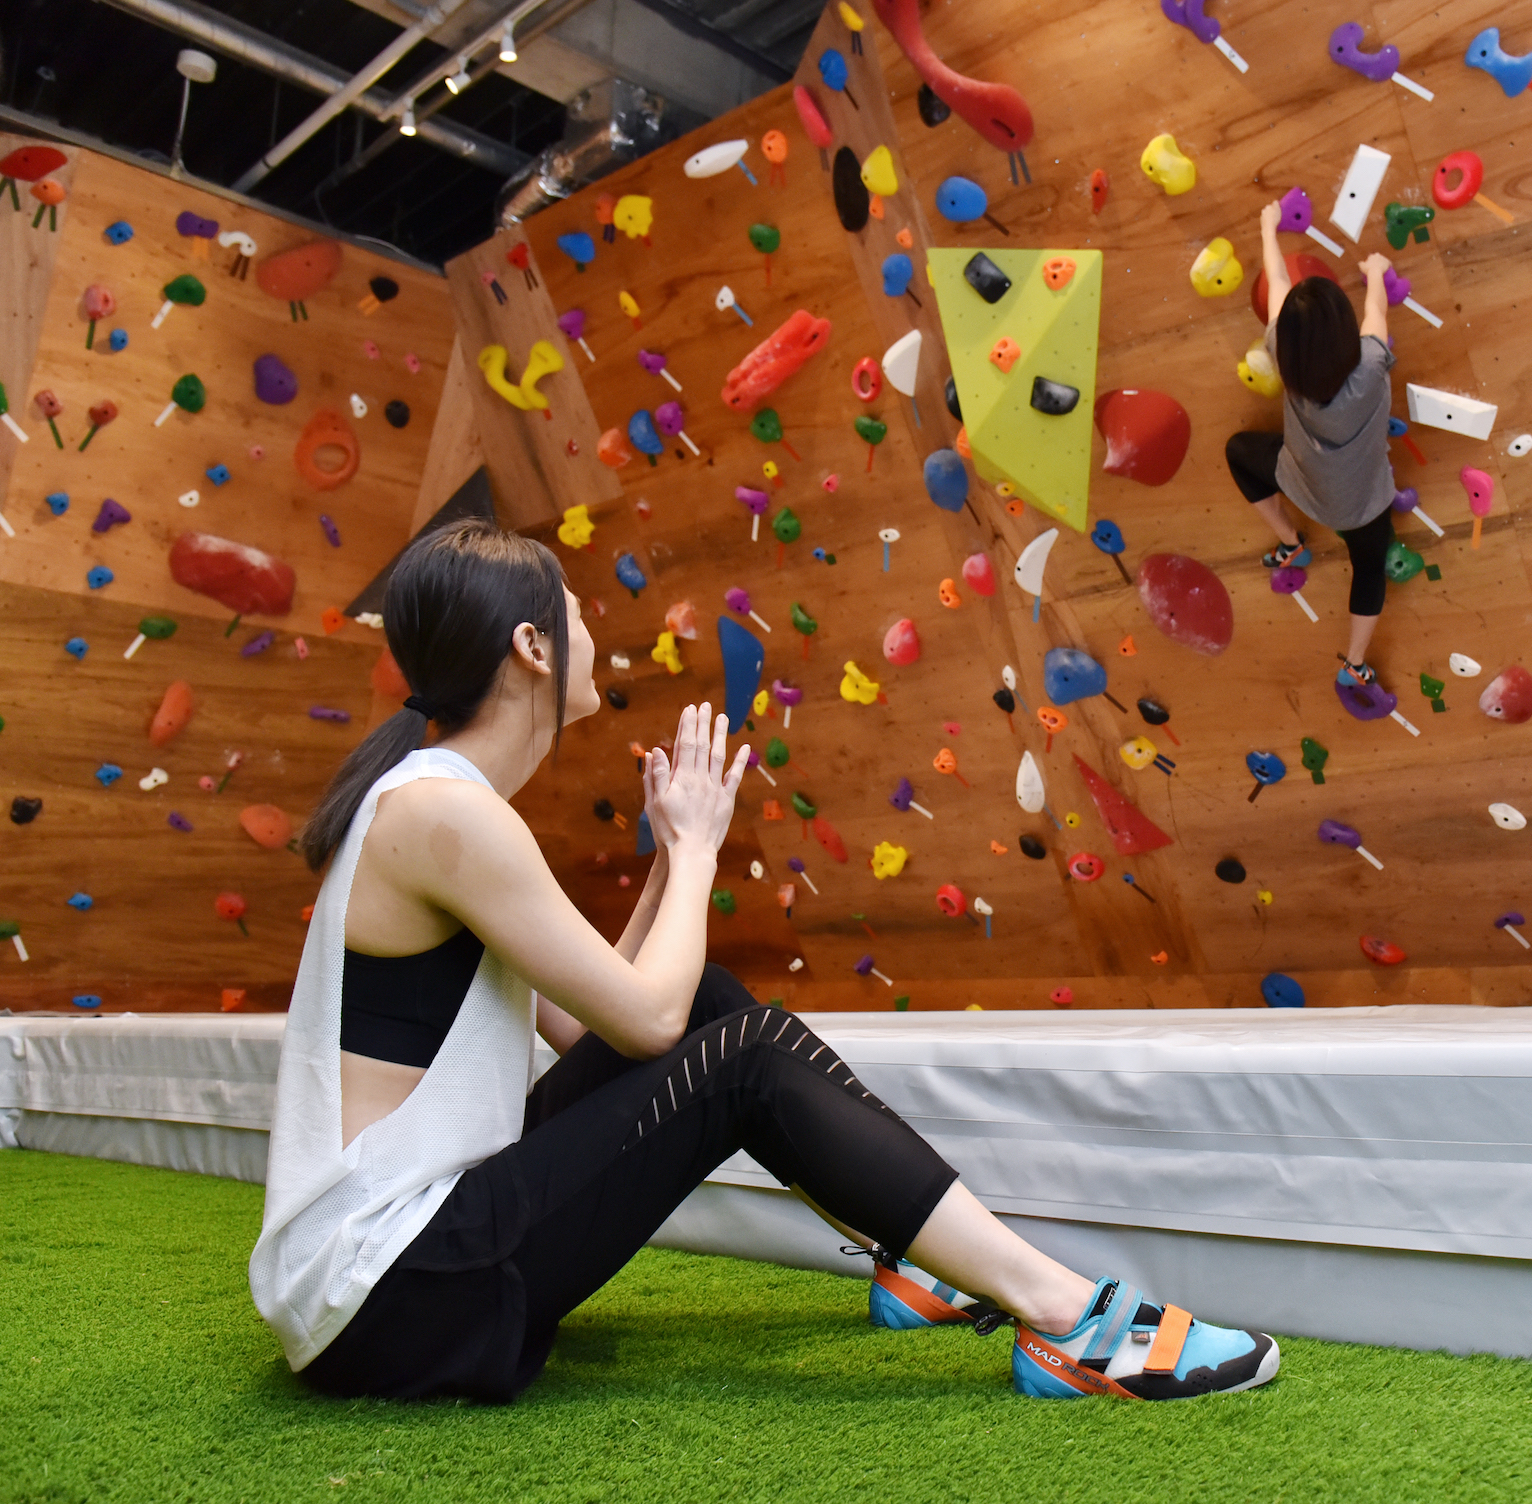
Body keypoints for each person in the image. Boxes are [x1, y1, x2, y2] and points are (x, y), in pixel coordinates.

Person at [248, 518, 1278, 1404]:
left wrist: (660, 866)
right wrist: (696, 853)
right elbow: (644, 1031)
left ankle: (914, 1264)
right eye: (572, 606)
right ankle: (1067, 1315)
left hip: (402, 1273)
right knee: (737, 1054)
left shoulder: (440, 805)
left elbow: (598, 1018)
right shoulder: (443, 815)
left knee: (710, 1000)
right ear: (529, 644)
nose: (590, 624)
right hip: (390, 1293)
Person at [1228, 199, 1403, 688]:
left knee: (1238, 452)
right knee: (1368, 569)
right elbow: (1376, 309)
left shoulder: (1284, 354)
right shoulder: (1369, 365)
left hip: (1303, 486)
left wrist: (1267, 228)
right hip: (1364, 504)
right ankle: (1353, 662)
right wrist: (1374, 271)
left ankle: (1290, 541)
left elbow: (1277, 285)